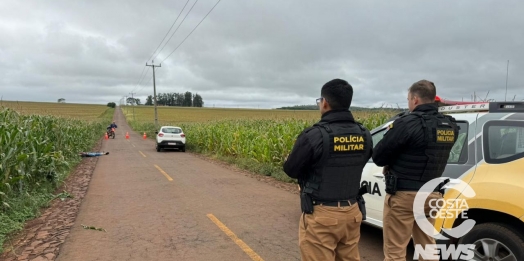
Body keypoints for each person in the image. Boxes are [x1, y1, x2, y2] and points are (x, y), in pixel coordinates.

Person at [283, 79, 372, 261]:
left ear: (324, 102)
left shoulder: (314, 135)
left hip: (323, 215)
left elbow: (291, 169)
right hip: (353, 212)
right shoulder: (364, 134)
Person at [372, 80, 459, 261]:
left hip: (404, 196)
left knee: (395, 251)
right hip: (432, 195)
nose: (408, 103)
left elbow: (379, 156)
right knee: (427, 248)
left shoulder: (406, 123)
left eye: (408, 99)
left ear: (415, 99)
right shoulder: (450, 126)